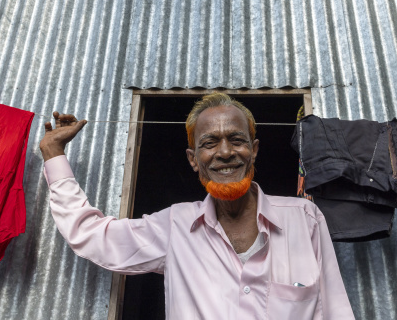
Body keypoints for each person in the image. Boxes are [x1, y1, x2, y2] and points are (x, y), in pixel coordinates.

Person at [40, 93, 354, 319]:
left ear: (254, 150)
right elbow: (93, 235)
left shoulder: (304, 219)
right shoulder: (175, 226)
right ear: (193, 160)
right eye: (209, 143)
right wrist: (54, 153)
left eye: (236, 139)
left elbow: (336, 310)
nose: (226, 152)